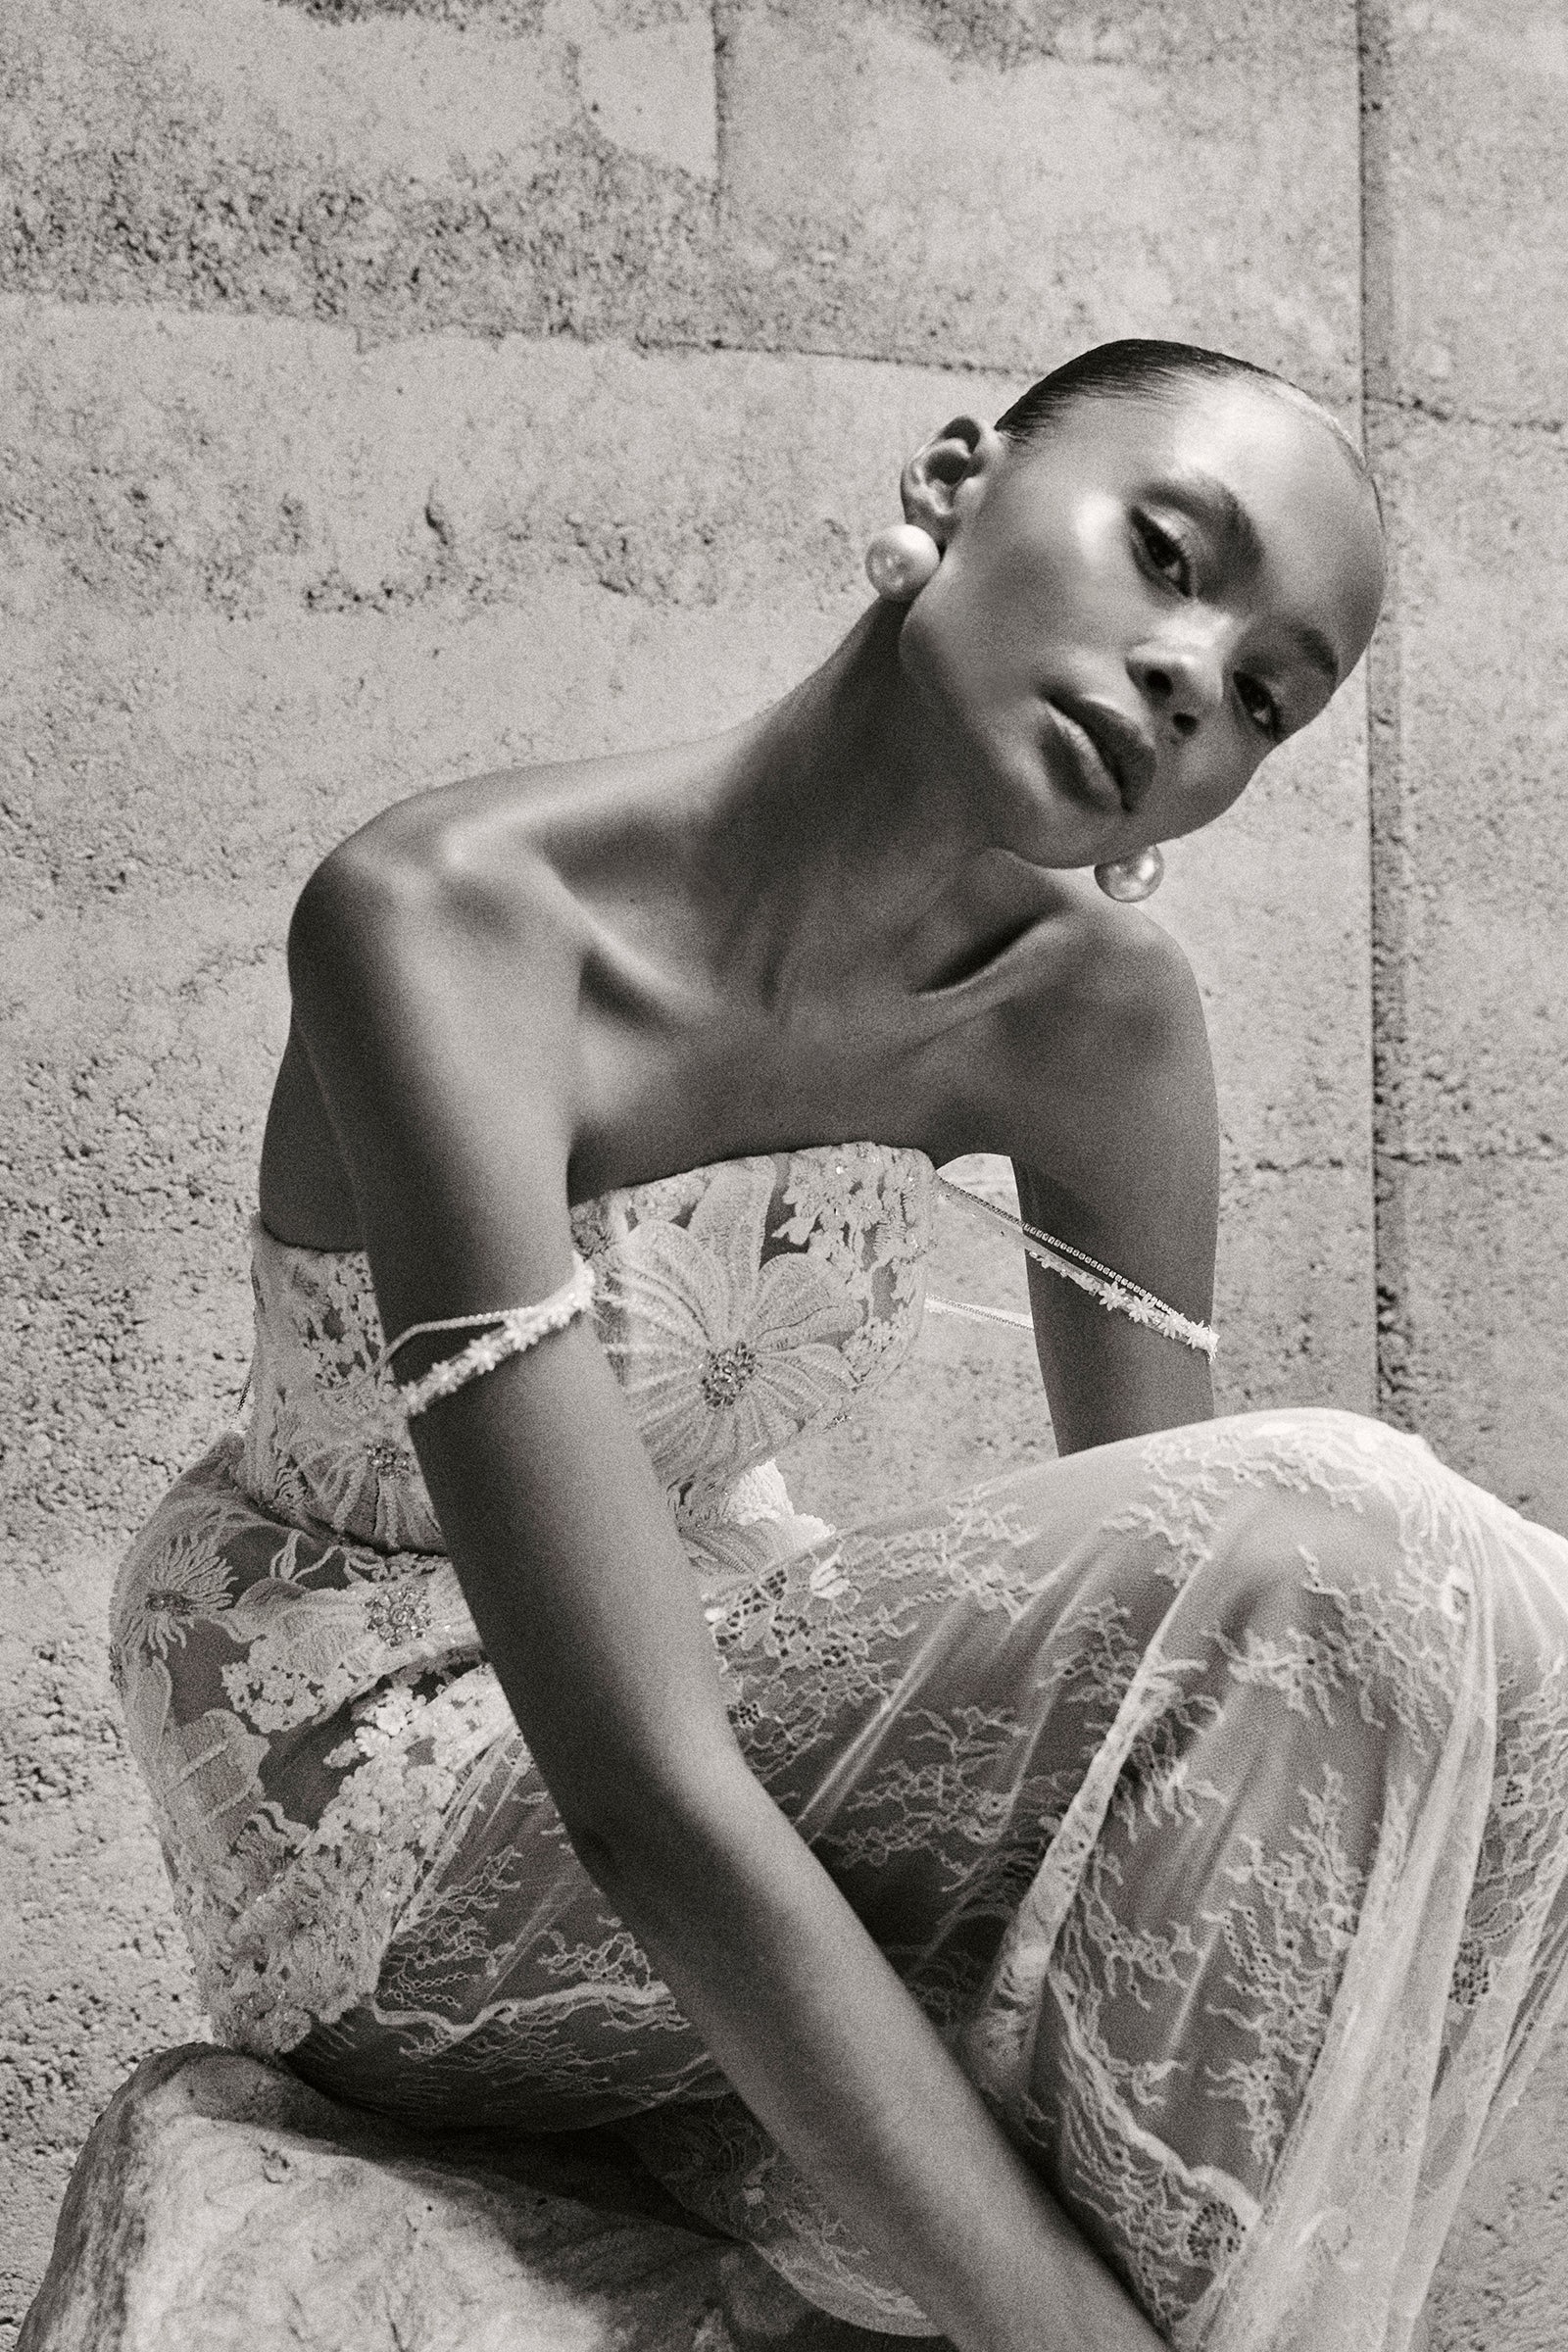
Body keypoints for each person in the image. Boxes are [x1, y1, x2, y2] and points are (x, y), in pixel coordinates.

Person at [110, 340, 1568, 2352]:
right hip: (381, 1777)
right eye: (1167, 554)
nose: (1185, 680)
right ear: (955, 480)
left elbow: (1233, 1695)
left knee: (1476, 1650)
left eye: (1263, 698)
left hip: (722, 1656)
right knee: (1350, 1525)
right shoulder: (445, 921)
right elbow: (639, 1788)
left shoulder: (1099, 1025)